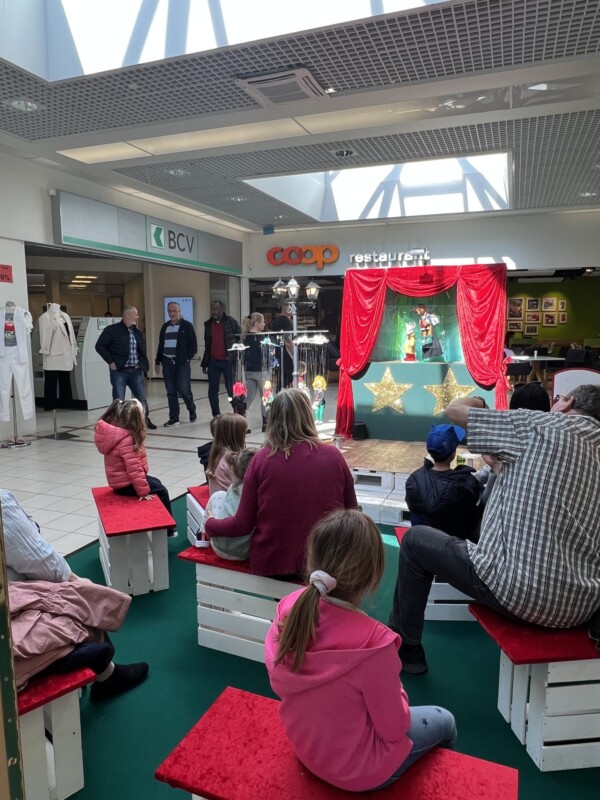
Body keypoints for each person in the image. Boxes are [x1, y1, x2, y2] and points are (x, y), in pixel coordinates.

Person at [388, 384, 600, 675]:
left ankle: (406, 648)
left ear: (567, 403)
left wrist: (479, 399)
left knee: (415, 541)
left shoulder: (540, 425)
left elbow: (454, 411)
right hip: (580, 607)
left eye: (558, 399)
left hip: (519, 593)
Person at [265, 509, 456, 792]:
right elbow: (395, 727)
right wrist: (400, 691)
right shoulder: (375, 644)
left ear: (313, 560)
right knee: (446, 720)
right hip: (360, 771)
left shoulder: (289, 609)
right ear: (373, 575)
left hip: (306, 749)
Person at [1, 489, 149, 700]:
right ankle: (106, 674)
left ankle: (100, 668)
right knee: (78, 598)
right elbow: (43, 563)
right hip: (12, 629)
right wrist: (79, 584)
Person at [204, 389, 358, 577]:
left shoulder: (261, 460)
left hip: (273, 562)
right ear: (308, 415)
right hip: (324, 561)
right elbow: (352, 511)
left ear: (273, 418)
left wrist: (211, 524)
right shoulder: (334, 456)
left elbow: (242, 524)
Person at [94, 399, 176, 536]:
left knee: (156, 482)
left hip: (119, 481)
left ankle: (158, 521)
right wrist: (143, 492)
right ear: (137, 419)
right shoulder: (127, 440)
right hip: (125, 484)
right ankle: (168, 530)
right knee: (162, 491)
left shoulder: (116, 432)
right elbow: (134, 469)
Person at [405, 424, 483, 541]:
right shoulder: (464, 485)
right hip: (453, 548)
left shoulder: (414, 479)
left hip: (421, 544)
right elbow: (474, 518)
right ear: (453, 454)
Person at [95, 306, 157, 429]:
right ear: (127, 315)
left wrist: (142, 365)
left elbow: (141, 351)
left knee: (141, 398)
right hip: (119, 372)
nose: (138, 317)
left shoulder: (137, 333)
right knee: (118, 399)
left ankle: (144, 419)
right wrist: (111, 361)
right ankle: (118, 423)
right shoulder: (112, 330)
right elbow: (100, 346)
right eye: (136, 314)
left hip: (135, 371)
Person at [197, 448, 257, 559]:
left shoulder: (233, 488)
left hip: (221, 548)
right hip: (246, 552)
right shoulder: (258, 491)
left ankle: (203, 535)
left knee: (219, 495)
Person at [154, 301, 197, 427]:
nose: (172, 313)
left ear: (179, 311)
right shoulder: (165, 327)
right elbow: (161, 345)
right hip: (167, 362)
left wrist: (188, 358)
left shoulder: (187, 326)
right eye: (170, 311)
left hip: (182, 363)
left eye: (174, 311)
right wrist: (157, 362)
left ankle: (191, 409)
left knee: (184, 389)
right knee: (171, 391)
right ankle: (174, 417)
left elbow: (193, 346)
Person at [200, 301, 241, 417]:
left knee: (231, 388)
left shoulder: (231, 322)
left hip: (228, 361)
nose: (213, 311)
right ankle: (216, 414)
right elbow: (207, 345)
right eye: (212, 309)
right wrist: (205, 363)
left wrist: (236, 353)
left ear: (222, 310)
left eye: (216, 309)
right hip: (213, 361)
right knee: (212, 390)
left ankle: (237, 412)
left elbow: (239, 338)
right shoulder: (207, 324)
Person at [204, 412, 248, 495]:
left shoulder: (218, 454)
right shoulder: (232, 460)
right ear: (235, 435)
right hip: (230, 505)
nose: (245, 436)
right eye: (244, 433)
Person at [243, 312, 268, 433]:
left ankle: (242, 422)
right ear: (257, 324)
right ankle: (266, 423)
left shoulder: (245, 337)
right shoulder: (261, 338)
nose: (264, 324)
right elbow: (264, 355)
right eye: (263, 322)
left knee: (249, 397)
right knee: (265, 396)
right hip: (261, 370)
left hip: (249, 371)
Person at [269, 301, 294, 390]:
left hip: (278, 352)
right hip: (284, 352)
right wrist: (293, 351)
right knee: (288, 376)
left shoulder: (277, 320)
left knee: (281, 377)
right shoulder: (285, 321)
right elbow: (287, 339)